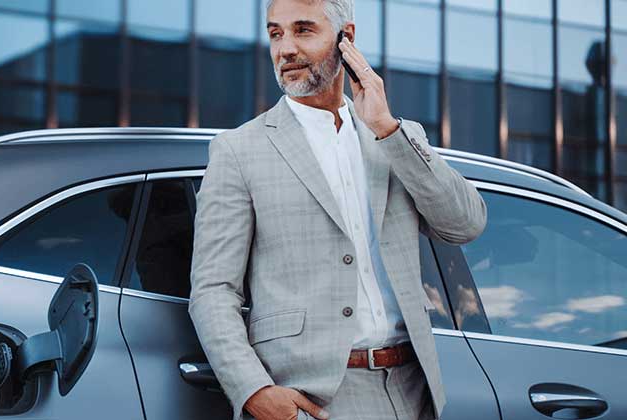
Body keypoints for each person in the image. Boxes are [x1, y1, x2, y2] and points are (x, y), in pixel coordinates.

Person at [187, 0, 487, 419]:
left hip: (412, 390)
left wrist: (388, 129)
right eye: (276, 33)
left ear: (346, 37)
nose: (285, 48)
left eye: (303, 30)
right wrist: (253, 391)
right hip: (312, 399)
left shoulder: (397, 136)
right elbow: (213, 290)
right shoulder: (239, 150)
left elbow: (465, 224)